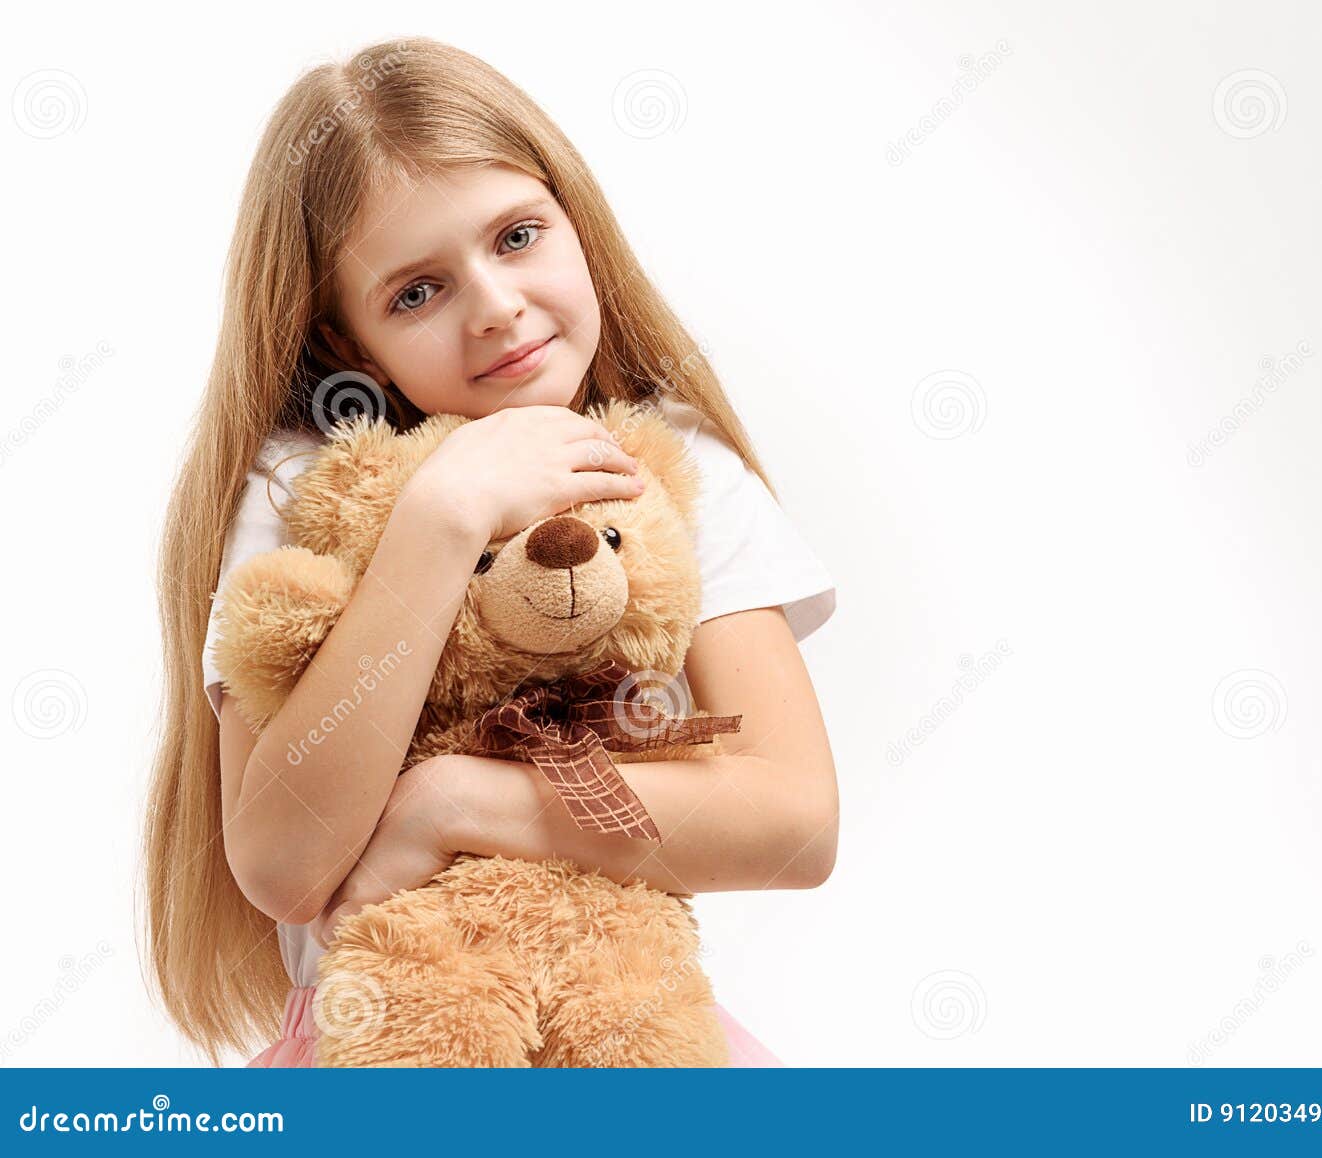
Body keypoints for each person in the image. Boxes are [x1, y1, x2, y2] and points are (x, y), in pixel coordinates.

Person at [141, 37, 838, 1068]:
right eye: (414, 293)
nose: (496, 306)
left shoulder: (674, 471)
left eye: (517, 236)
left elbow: (795, 823)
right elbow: (285, 864)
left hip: (618, 1033)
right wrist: (440, 519)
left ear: (576, 219)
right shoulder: (300, 499)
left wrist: (453, 804)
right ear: (346, 345)